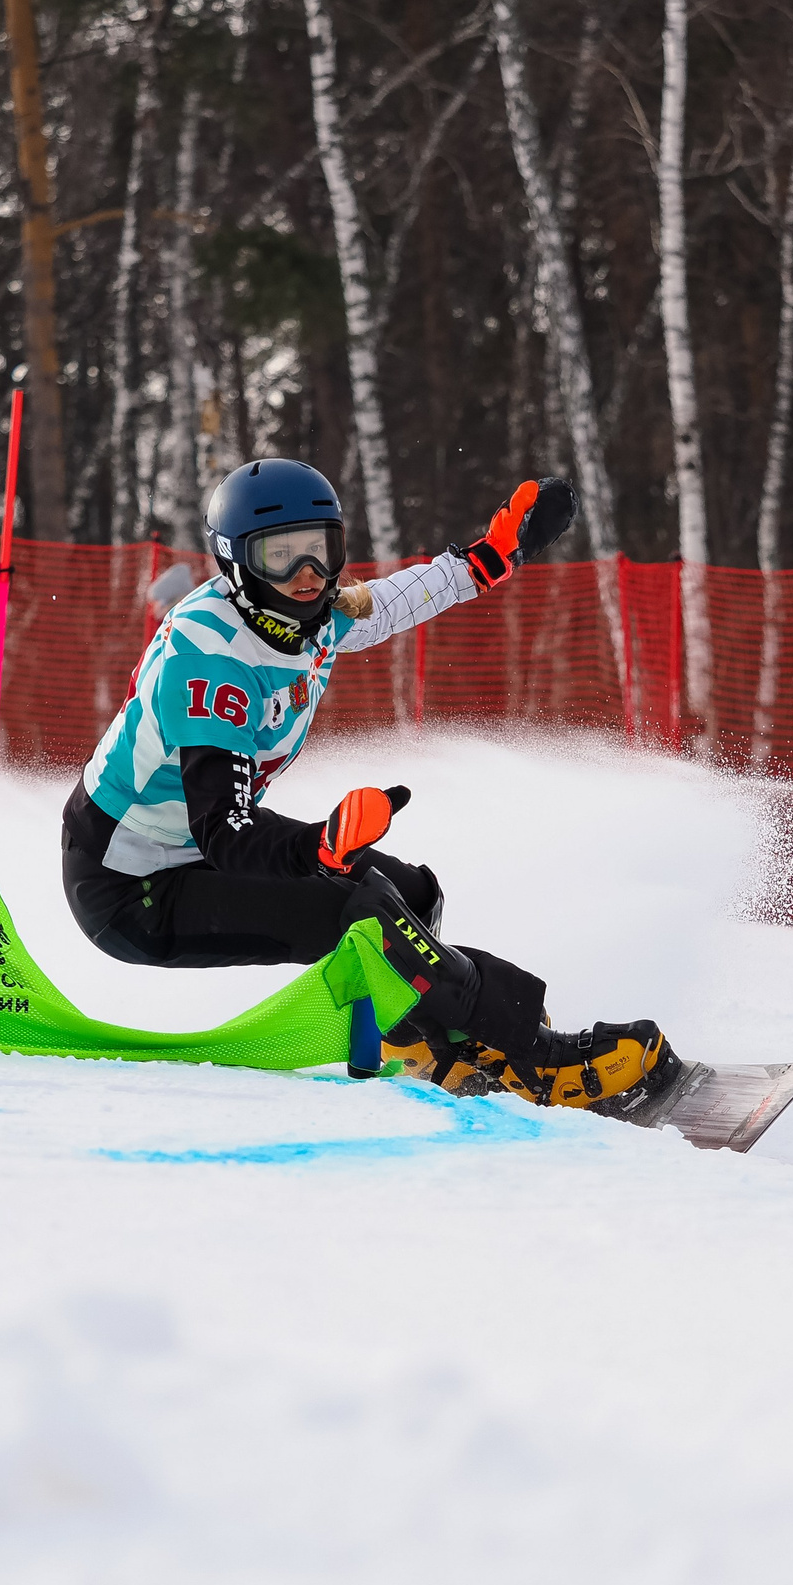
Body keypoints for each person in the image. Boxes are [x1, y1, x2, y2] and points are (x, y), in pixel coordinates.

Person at [61, 458, 673, 1118]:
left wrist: (496, 554)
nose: (306, 576)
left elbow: (393, 602)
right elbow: (227, 830)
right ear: (236, 564)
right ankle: (528, 1056)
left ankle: (433, 1042)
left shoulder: (302, 611)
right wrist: (323, 846)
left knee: (408, 891)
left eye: (319, 551)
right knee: (362, 919)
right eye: (280, 556)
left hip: (190, 848)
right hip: (130, 884)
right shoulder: (211, 659)